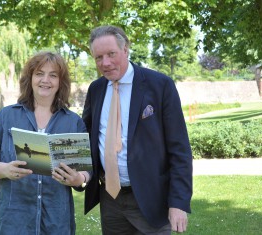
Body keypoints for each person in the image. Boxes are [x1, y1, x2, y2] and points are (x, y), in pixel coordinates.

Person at [82, 25, 193, 234]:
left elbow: (180, 149)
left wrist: (178, 202)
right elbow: (86, 139)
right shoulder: (95, 90)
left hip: (151, 199)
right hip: (110, 199)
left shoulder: (160, 85)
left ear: (126, 49)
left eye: (111, 54)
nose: (105, 63)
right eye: (98, 57)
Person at [0, 51, 90, 235]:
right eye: (39, 73)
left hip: (56, 223)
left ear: (61, 82)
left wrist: (79, 179)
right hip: (12, 222)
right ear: (30, 78)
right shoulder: (7, 116)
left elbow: (86, 170)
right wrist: (4, 170)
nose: (46, 80)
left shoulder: (73, 122)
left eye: (53, 75)